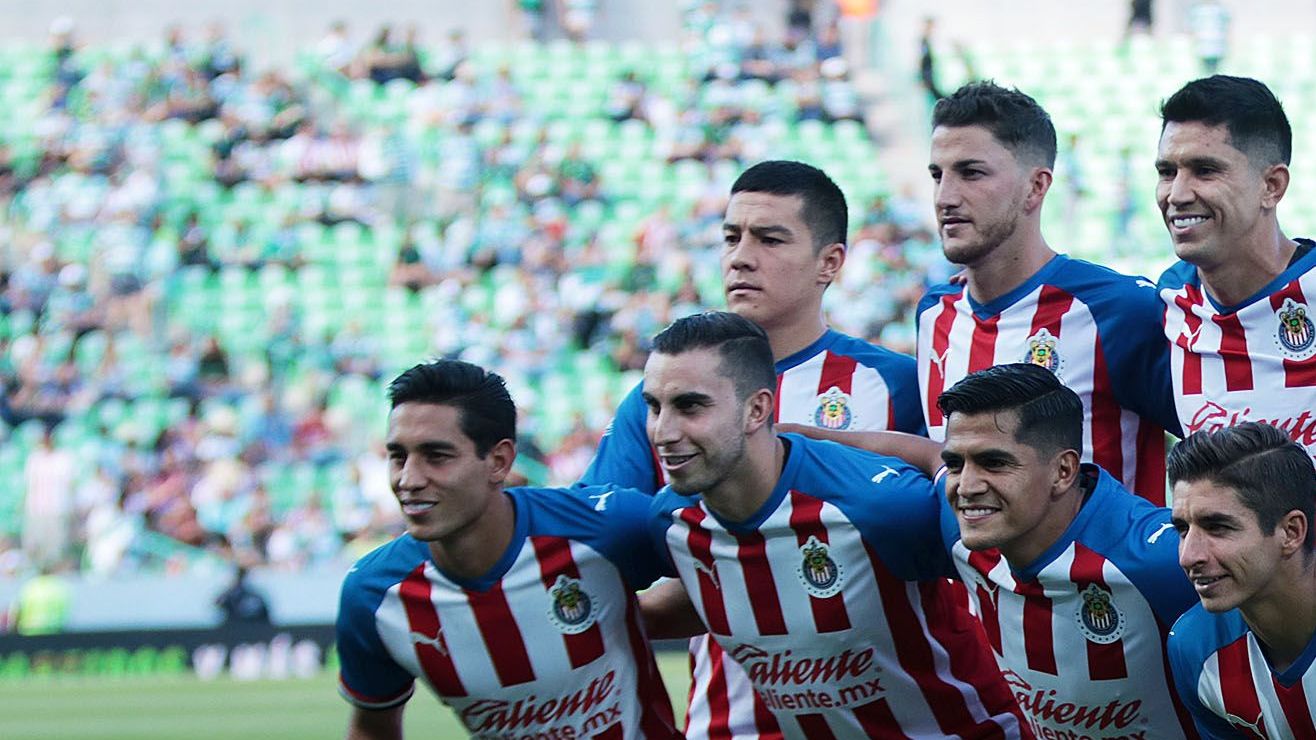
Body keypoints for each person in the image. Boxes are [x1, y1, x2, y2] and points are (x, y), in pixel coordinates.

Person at [582, 160, 925, 739]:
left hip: (890, 721)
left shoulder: (895, 386)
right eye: (731, 237)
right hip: (731, 724)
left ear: (830, 262)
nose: (740, 257)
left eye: (769, 239)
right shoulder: (663, 401)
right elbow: (597, 551)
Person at [642, 312, 1027, 737]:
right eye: (653, 407)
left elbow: (1016, 595)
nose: (663, 431)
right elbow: (694, 601)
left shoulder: (882, 509)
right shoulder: (670, 521)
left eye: (690, 406)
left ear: (757, 409)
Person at [336, 360, 679, 739]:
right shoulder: (373, 595)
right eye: (398, 456)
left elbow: (716, 569)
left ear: (498, 462)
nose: (408, 479)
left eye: (436, 456)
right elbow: (371, 727)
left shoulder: (603, 528)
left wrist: (638, 616)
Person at [921, 81, 1179, 503]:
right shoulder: (935, 313)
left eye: (971, 173)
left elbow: (1214, 436)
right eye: (937, 175)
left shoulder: (1118, 310)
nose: (945, 196)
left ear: (1036, 187)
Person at [936, 364, 1199, 738]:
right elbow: (925, 458)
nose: (966, 486)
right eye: (955, 463)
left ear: (1063, 471)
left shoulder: (1162, 560)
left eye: (994, 463)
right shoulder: (968, 528)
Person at [1155, 76, 1316, 464]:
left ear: (1272, 186)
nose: (1177, 194)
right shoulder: (1169, 301)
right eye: (1167, 171)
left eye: (1205, 170)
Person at [1167, 422, 1316, 737]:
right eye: (1182, 529)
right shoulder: (1196, 647)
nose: (1188, 556)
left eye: (1217, 527)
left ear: (1291, 532)